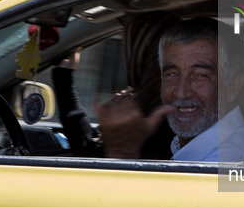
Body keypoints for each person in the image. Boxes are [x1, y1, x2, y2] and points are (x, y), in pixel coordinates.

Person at [96, 17, 244, 162]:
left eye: (200, 75)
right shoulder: (207, 146)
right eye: (172, 74)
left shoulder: (225, 161)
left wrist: (123, 153)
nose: (181, 92)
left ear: (232, 88)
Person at [52, 11, 181, 159]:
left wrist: (122, 149)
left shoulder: (157, 117)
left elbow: (89, 153)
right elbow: (87, 146)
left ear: (137, 54)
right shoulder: (162, 103)